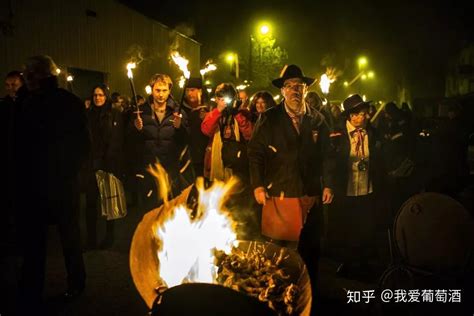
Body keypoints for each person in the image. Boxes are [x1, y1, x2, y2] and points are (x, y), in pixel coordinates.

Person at [13, 56, 90, 311]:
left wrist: (69, 171)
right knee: (36, 240)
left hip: (59, 182)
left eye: (30, 75)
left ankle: (75, 283)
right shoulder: (26, 102)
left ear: (42, 76)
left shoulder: (65, 104)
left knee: (68, 237)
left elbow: (82, 145)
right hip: (38, 183)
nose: (26, 80)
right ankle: (31, 287)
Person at [326, 94, 383, 280]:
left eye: (366, 114)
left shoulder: (371, 133)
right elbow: (329, 162)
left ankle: (364, 264)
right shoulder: (337, 134)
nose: (366, 117)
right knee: (346, 227)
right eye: (361, 114)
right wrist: (329, 186)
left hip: (367, 189)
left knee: (365, 227)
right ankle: (348, 264)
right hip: (346, 190)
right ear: (351, 116)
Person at [130, 74, 189, 212]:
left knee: (170, 213)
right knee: (150, 214)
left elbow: (185, 141)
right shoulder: (141, 112)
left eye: (164, 90)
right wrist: (136, 129)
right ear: (151, 89)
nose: (161, 94)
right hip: (149, 172)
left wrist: (180, 128)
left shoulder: (178, 112)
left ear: (169, 90)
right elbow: (131, 142)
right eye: (157, 90)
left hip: (171, 172)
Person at [82, 84, 124, 249]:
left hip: (108, 164)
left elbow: (117, 139)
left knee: (109, 202)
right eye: (95, 95)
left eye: (101, 95)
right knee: (90, 204)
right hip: (91, 164)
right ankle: (91, 238)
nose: (98, 98)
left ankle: (109, 236)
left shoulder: (114, 114)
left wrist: (108, 159)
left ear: (106, 97)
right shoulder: (88, 114)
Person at [201, 83, 253, 183]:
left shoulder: (242, 113)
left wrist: (237, 113)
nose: (225, 101)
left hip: (238, 163)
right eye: (221, 98)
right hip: (216, 161)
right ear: (216, 99)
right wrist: (219, 111)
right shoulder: (212, 114)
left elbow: (249, 134)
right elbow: (206, 130)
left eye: (228, 98)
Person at [181, 77, 210, 178]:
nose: (189, 93)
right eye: (187, 90)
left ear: (200, 91)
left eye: (192, 90)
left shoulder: (208, 108)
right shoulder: (180, 108)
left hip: (203, 157)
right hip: (185, 157)